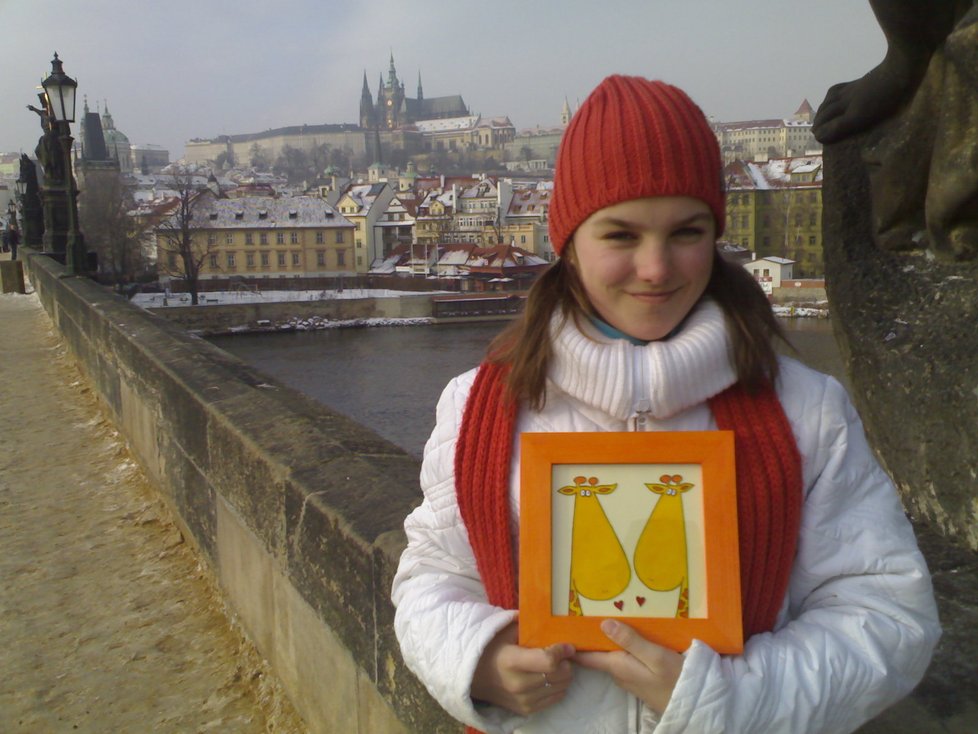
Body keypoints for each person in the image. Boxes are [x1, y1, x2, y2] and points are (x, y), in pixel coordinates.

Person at [391, 75, 940, 734]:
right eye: (620, 236)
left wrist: (726, 699)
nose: (656, 268)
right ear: (566, 243)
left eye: (686, 232)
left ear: (715, 234)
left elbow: (889, 616)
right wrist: (477, 657)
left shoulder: (807, 411)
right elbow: (429, 579)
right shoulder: (477, 407)